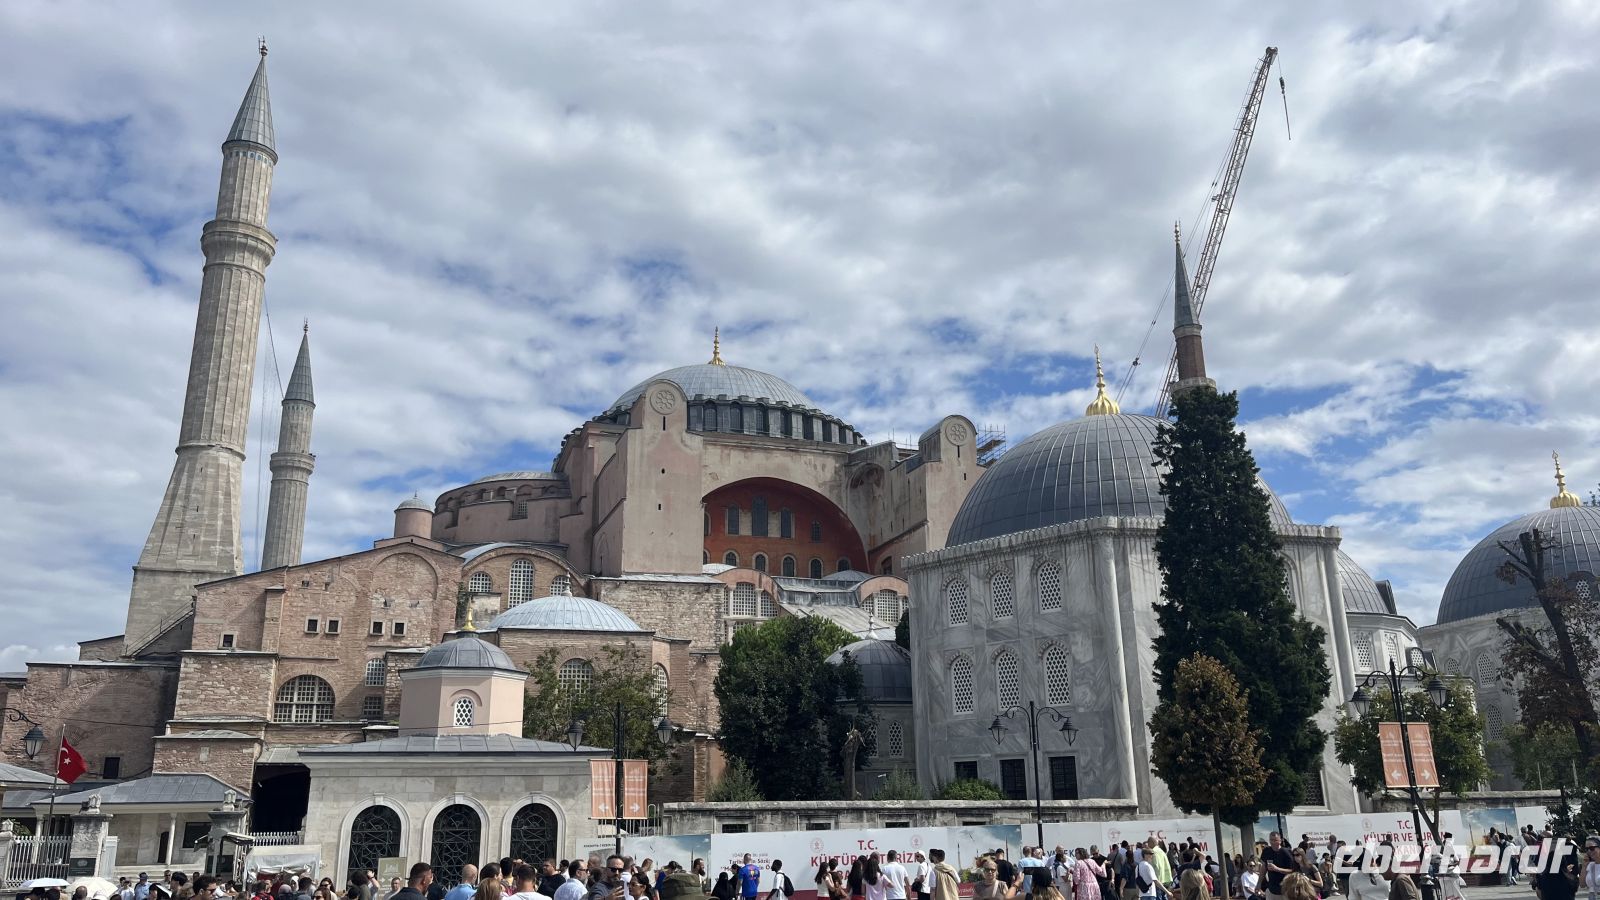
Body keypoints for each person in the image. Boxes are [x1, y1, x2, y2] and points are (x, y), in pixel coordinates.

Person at [1261, 835, 1296, 900]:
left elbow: (1292, 871)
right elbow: (1263, 868)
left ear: (1280, 841)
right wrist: (1258, 884)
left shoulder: (1286, 852)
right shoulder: (1266, 851)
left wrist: (1277, 869)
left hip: (1285, 890)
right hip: (1272, 889)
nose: (1273, 842)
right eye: (1271, 840)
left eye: (1275, 840)